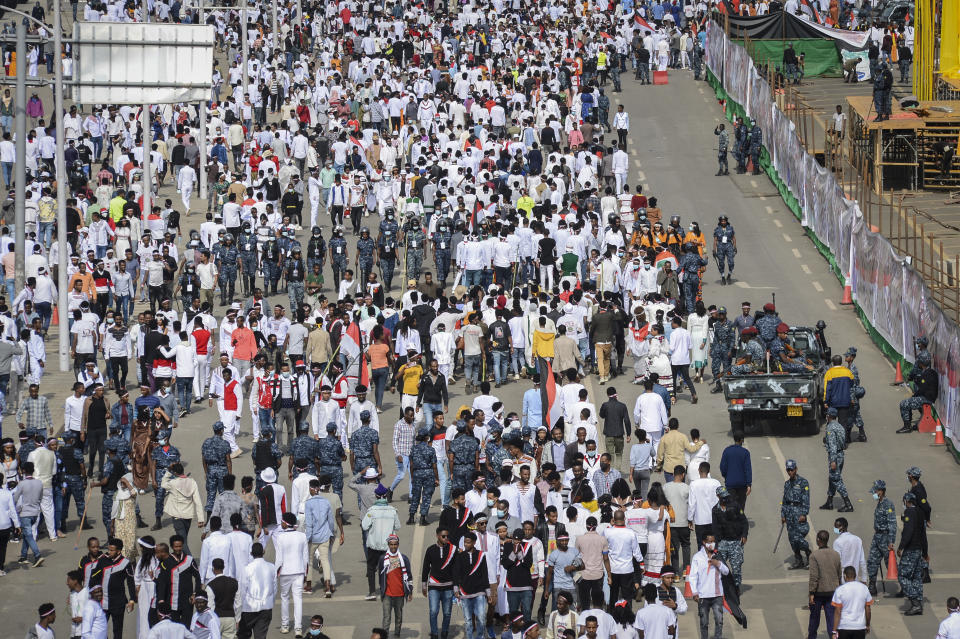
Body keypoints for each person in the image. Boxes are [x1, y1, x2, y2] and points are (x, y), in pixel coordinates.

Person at [362, 484, 402, 600]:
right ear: (385, 496)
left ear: (376, 496)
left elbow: (364, 526)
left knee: (371, 568)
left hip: (373, 545)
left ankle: (372, 592)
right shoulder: (393, 511)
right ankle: (385, 590)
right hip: (388, 546)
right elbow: (398, 526)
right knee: (386, 568)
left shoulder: (371, 511)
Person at [273, 512, 308, 636]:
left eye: (282, 521)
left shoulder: (280, 537)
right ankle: (298, 628)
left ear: (285, 523)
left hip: (285, 572)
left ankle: (285, 625)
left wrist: (276, 573)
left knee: (284, 598)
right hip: (299, 571)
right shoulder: (302, 536)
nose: (281, 523)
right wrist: (305, 574)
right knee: (298, 599)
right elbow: (305, 557)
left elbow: (279, 559)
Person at [688, 534, 728, 639]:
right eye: (709, 542)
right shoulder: (697, 557)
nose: (712, 544)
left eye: (713, 541)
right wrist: (695, 592)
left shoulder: (718, 555)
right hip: (703, 596)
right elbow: (692, 576)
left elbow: (726, 572)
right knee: (704, 623)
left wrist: (718, 564)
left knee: (719, 621)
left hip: (717, 595)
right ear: (704, 543)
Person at [422, 526, 456, 639]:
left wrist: (456, 586)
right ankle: (435, 633)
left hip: (448, 587)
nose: (446, 538)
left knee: (447, 613)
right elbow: (426, 567)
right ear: (437, 536)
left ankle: (445, 631)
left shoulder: (453, 550)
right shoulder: (430, 549)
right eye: (443, 536)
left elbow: (456, 568)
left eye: (447, 536)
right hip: (434, 586)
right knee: (433, 611)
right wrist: (424, 585)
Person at [897, 491, 928, 616]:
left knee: (903, 576)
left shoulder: (909, 511)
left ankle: (915, 603)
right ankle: (919, 601)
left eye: (904, 501)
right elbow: (923, 534)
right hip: (919, 549)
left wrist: (901, 547)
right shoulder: (920, 513)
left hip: (910, 550)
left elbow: (908, 531)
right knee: (916, 577)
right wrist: (925, 552)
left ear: (907, 501)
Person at [808, 530, 842, 639]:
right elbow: (839, 573)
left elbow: (814, 576)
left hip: (819, 592)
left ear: (818, 540)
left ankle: (812, 637)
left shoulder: (814, 555)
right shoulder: (835, 554)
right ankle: (833, 636)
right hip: (833, 591)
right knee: (831, 617)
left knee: (814, 617)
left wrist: (811, 593)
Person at [238, 543, 276, 639]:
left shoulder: (247, 569)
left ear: (251, 553)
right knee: (261, 636)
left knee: (243, 635)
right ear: (263, 552)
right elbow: (275, 588)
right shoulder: (272, 567)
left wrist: (238, 610)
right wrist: (270, 602)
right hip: (266, 608)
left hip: (249, 608)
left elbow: (242, 591)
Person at [865, 480, 897, 596]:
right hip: (877, 536)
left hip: (885, 537)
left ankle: (905, 587)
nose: (873, 494)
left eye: (875, 491)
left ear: (881, 491)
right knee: (872, 561)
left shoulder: (888, 504)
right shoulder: (880, 502)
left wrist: (891, 541)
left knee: (890, 563)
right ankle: (872, 586)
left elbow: (892, 523)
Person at [378, 534, 413, 637]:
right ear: (388, 544)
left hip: (400, 594)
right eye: (391, 544)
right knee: (386, 617)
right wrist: (382, 590)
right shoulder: (383, 559)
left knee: (398, 617)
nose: (393, 546)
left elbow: (409, 576)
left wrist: (410, 591)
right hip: (387, 594)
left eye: (395, 544)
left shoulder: (404, 559)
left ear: (398, 544)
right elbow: (381, 576)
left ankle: (397, 635)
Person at [820, 408, 853, 513]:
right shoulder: (839, 426)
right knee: (832, 478)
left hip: (835, 456)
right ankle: (829, 502)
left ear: (829, 416)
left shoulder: (831, 428)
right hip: (840, 455)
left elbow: (833, 445)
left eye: (827, 415)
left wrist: (833, 460)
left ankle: (848, 504)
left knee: (836, 479)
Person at [781, 459, 812, 569]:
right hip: (789, 514)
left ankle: (809, 554)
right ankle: (798, 560)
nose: (790, 472)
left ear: (796, 469)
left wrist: (804, 513)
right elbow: (784, 501)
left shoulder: (803, 483)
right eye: (788, 470)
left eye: (791, 469)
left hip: (799, 513)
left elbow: (806, 499)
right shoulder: (787, 484)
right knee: (792, 539)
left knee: (798, 537)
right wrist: (783, 515)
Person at [897, 357, 939, 433]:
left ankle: (907, 427)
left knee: (903, 404)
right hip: (927, 397)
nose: (918, 364)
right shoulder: (930, 372)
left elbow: (922, 388)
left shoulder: (927, 373)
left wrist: (914, 394)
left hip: (927, 398)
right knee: (909, 401)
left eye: (919, 363)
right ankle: (912, 424)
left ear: (922, 364)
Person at [831, 566, 872, 637]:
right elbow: (868, 610)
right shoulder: (864, 588)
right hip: (860, 627)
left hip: (844, 627)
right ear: (855, 576)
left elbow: (838, 611)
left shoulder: (840, 590)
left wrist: (834, 631)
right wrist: (867, 625)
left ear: (844, 576)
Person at [718, 431, 751, 510]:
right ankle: (740, 519)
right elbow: (748, 469)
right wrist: (749, 484)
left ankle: (732, 520)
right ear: (742, 440)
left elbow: (723, 467)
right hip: (742, 485)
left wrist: (726, 476)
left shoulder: (727, 451)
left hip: (730, 484)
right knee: (741, 506)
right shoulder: (745, 453)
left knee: (730, 505)